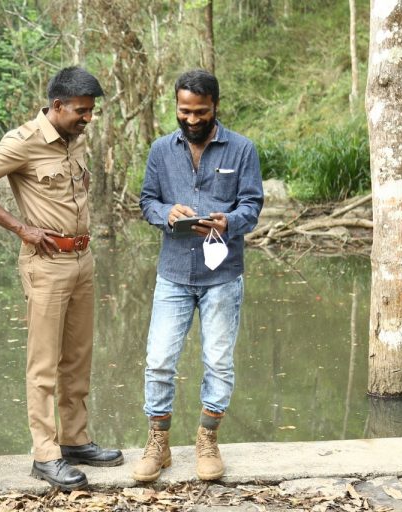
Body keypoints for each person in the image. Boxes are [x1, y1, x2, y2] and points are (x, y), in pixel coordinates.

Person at [0, 66, 123, 490]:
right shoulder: (23, 142)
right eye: (80, 111)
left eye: (90, 112)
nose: (87, 118)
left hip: (82, 259)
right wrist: (20, 228)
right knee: (44, 363)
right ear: (56, 106)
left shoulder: (75, 141)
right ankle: (45, 455)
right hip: (45, 263)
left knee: (78, 357)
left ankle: (75, 440)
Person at [133, 69, 263, 483]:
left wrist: (230, 221)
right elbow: (147, 200)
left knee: (219, 362)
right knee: (158, 361)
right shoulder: (160, 150)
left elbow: (252, 205)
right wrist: (165, 213)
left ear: (215, 108)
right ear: (175, 106)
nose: (191, 119)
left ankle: (207, 440)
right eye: (184, 111)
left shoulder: (242, 149)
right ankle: (158, 444)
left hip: (223, 274)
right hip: (173, 272)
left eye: (200, 112)